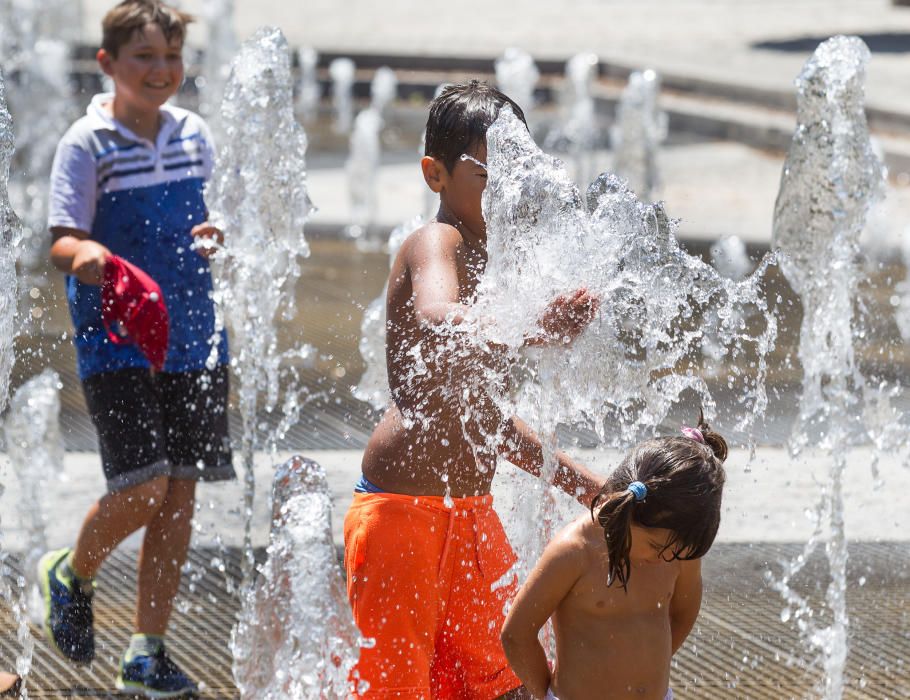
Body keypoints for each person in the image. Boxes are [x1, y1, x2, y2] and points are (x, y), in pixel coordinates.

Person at [344, 80, 604, 699]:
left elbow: (483, 419)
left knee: (500, 679)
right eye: (489, 174)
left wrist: (589, 488)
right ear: (435, 174)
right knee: (396, 688)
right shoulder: (438, 242)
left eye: (515, 174)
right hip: (401, 513)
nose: (504, 191)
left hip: (470, 514)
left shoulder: (494, 263)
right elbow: (436, 315)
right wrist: (532, 325)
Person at [38, 1, 232, 696]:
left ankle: (146, 649)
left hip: (195, 336)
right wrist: (87, 251)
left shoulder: (193, 134)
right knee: (143, 487)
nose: (161, 71)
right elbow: (60, 237)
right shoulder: (87, 144)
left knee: (178, 499)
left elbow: (212, 213)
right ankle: (72, 571)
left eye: (171, 57)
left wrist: (216, 234)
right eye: (144, 57)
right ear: (108, 64)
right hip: (117, 341)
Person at [500, 417, 728, 700]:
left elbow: (684, 613)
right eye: (657, 547)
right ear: (628, 512)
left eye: (677, 551)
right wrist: (545, 693)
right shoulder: (575, 552)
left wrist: (646, 666)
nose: (666, 558)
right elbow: (516, 633)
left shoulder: (676, 549)